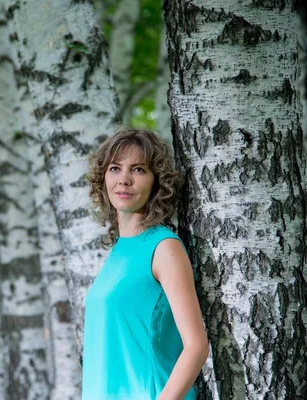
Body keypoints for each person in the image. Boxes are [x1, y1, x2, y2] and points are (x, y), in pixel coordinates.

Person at [82, 127, 208, 400]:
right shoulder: (120, 250)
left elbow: (196, 345)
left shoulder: (164, 247)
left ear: (156, 182)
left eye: (138, 170)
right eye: (115, 168)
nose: (124, 180)